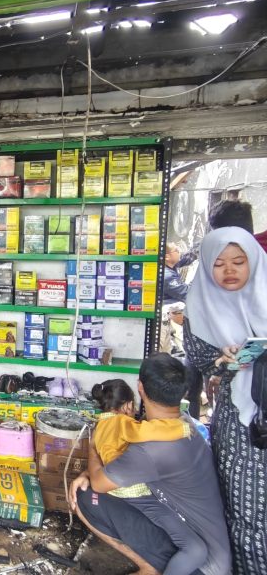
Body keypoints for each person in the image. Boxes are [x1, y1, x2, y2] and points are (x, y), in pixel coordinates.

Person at [69, 354, 231, 575]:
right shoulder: (182, 425)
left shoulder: (151, 448)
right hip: (213, 550)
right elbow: (125, 462)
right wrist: (88, 471)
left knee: (87, 495)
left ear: (140, 387)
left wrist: (92, 447)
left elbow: (99, 483)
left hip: (199, 566)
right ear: (184, 392)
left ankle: (151, 568)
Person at [184, 226, 267, 574]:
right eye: (218, 264)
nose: (229, 270)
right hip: (239, 422)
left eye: (238, 261)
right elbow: (205, 363)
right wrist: (223, 361)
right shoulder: (200, 306)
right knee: (244, 509)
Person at [90, 379, 203, 575]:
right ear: (127, 406)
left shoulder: (100, 425)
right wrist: (181, 428)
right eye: (133, 406)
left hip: (115, 488)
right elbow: (144, 431)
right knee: (191, 544)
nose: (135, 411)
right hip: (132, 489)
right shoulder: (120, 422)